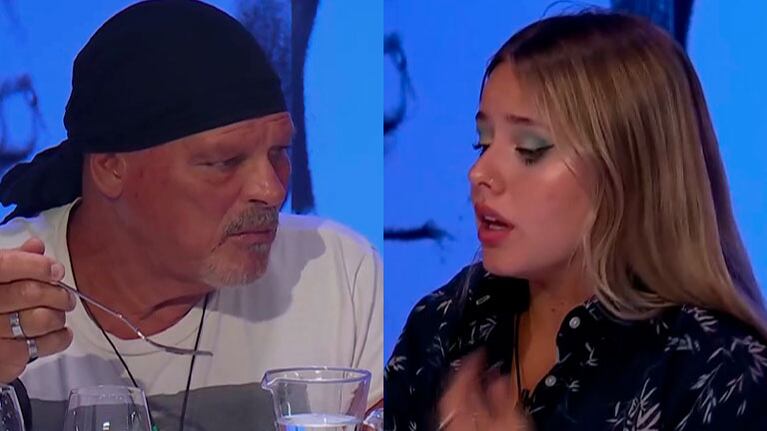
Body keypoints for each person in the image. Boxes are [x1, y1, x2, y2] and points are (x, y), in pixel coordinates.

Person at [0, 1, 382, 430]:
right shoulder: (9, 285)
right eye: (224, 162)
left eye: (279, 151)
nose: (272, 190)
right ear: (110, 168)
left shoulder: (334, 274)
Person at [385, 11, 767, 431]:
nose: (479, 173)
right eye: (483, 142)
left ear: (630, 170)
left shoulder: (716, 371)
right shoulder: (444, 323)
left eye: (529, 148)